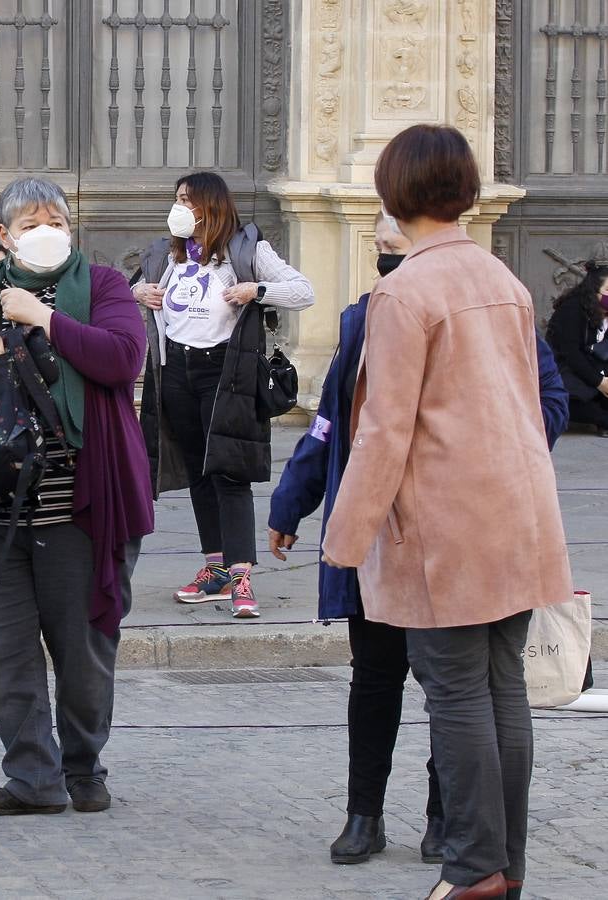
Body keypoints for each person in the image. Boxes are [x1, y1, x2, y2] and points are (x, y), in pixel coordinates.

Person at [268, 210, 569, 869]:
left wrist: (481, 465)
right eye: (379, 248)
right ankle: (372, 817)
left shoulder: (456, 298)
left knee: (460, 689)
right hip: (397, 529)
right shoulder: (370, 316)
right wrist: (295, 502)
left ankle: (457, 833)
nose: (388, 257)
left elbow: (539, 403)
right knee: (393, 680)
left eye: (394, 241)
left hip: (435, 531)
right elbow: (334, 428)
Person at [0, 176, 154, 818]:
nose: (45, 229)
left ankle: (83, 768)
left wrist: (47, 319)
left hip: (78, 508)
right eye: (29, 222)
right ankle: (33, 776)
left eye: (54, 218)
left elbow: (121, 358)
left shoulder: (104, 286)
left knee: (82, 649)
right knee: (5, 654)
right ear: (3, 236)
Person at [135, 171, 315, 618]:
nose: (177, 207)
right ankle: (214, 568)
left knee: (228, 474)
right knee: (199, 472)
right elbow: (127, 289)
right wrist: (138, 290)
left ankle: (240, 576)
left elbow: (303, 291)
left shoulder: (247, 248)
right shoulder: (166, 252)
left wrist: (257, 290)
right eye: (176, 198)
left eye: (185, 200)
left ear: (208, 205)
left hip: (226, 373)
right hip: (176, 370)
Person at [544, 259, 608, 437]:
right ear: (594, 291)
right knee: (577, 400)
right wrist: (600, 382)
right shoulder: (572, 309)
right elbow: (572, 355)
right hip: (567, 372)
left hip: (595, 369)